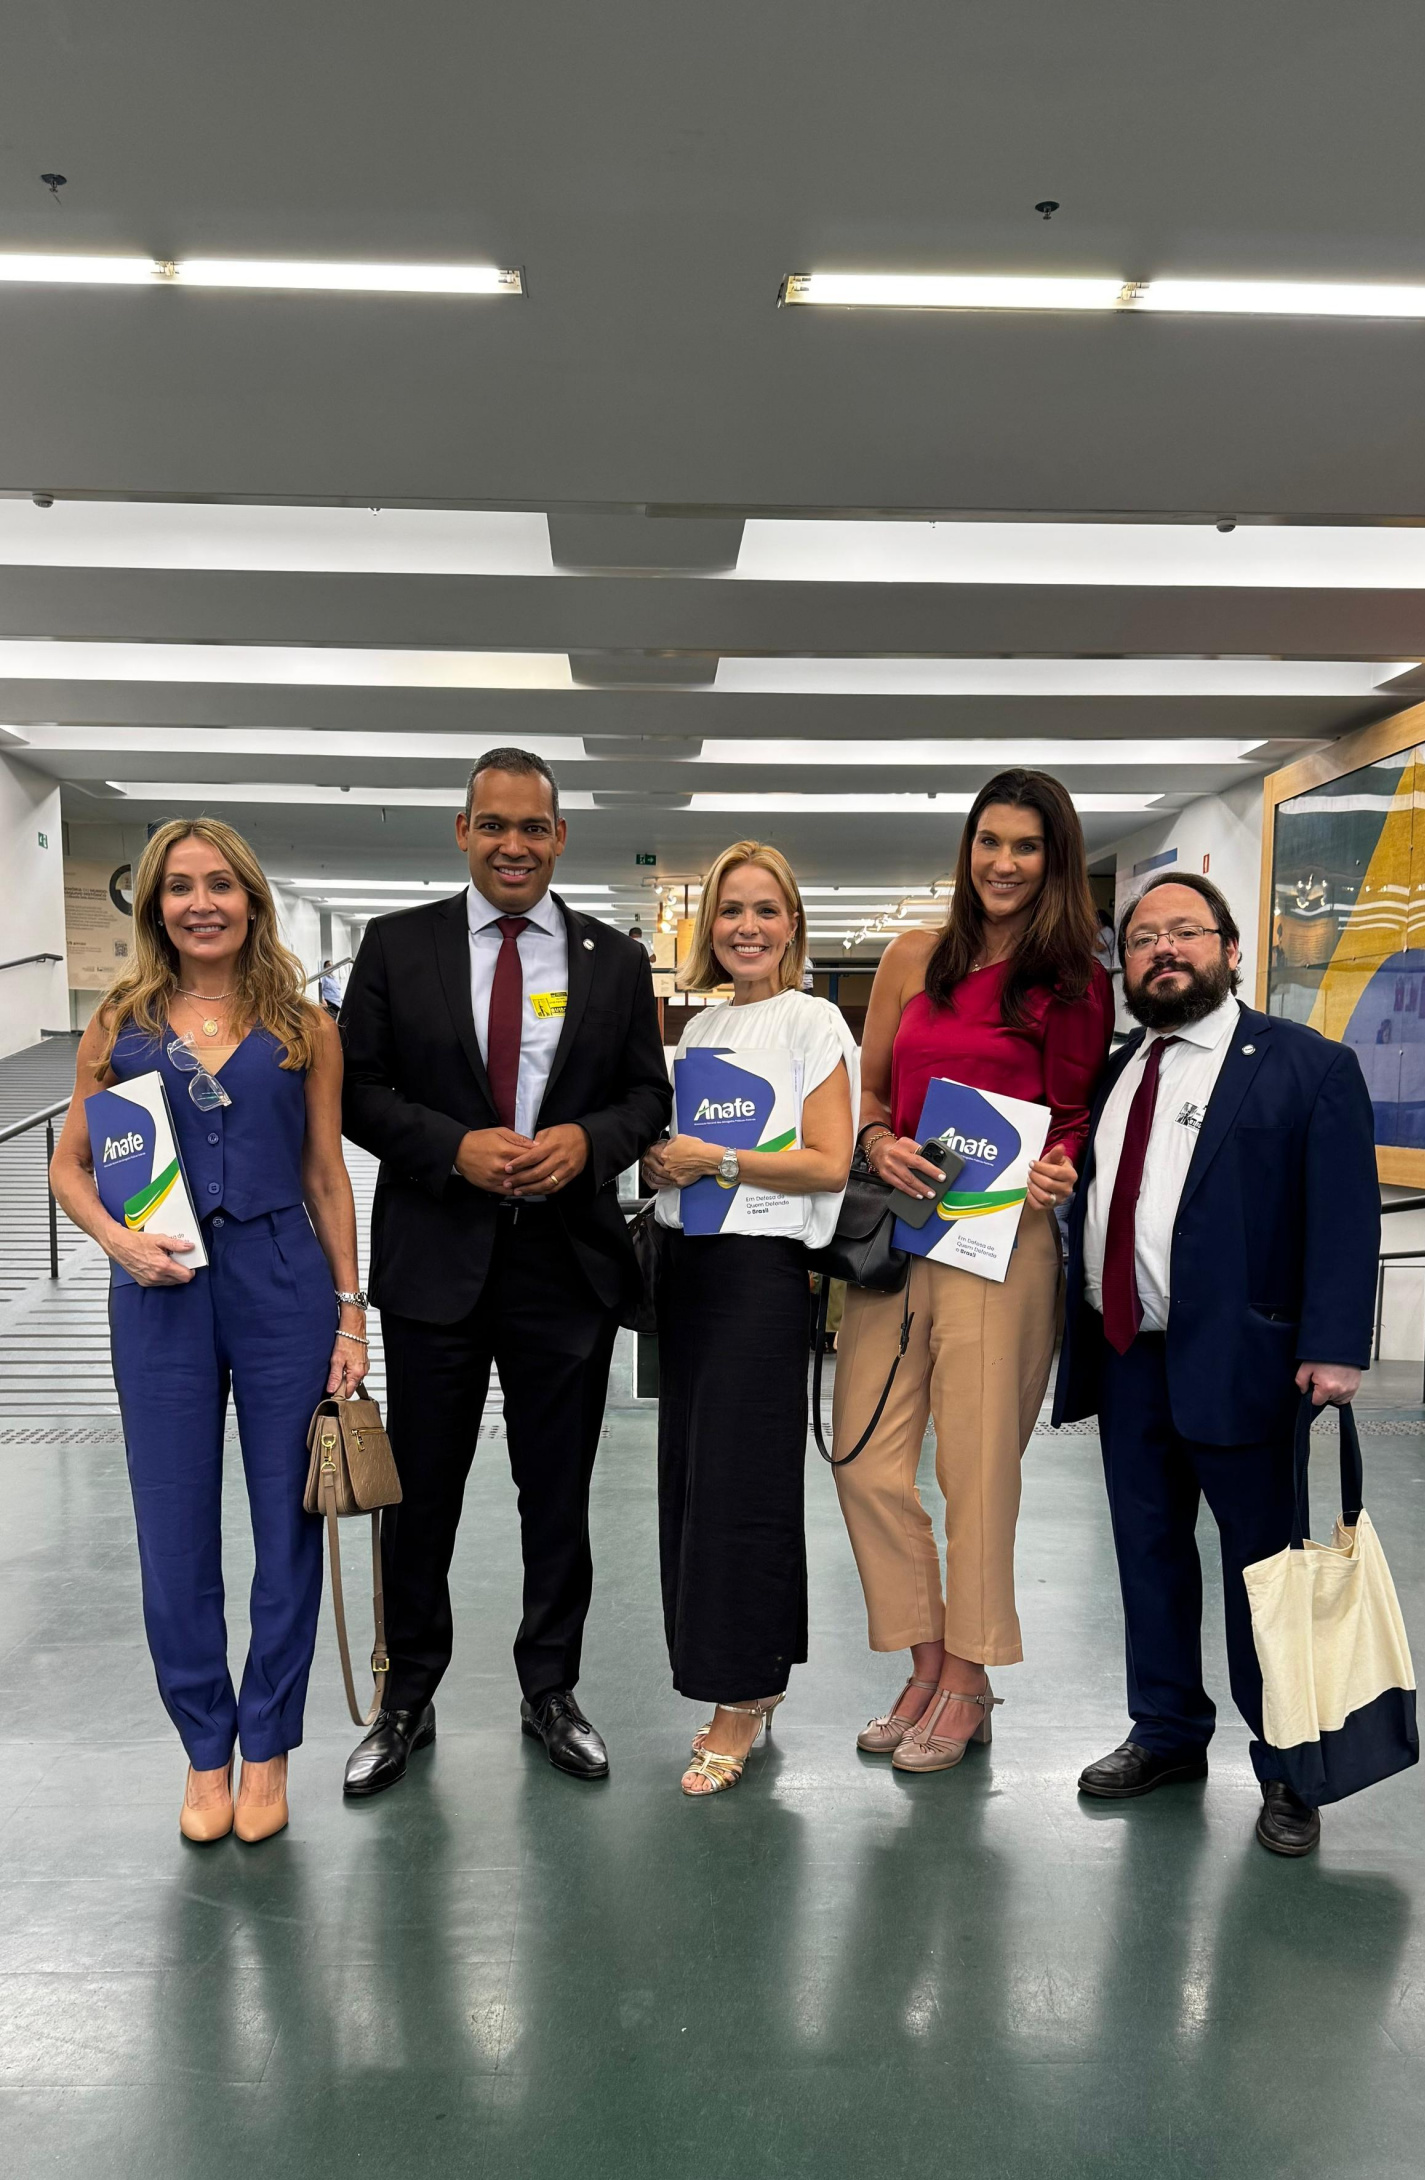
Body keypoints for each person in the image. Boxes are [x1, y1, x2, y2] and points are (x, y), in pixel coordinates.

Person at [338, 746, 671, 1796]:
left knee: (556, 1494)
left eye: (533, 827)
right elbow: (357, 1091)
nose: (513, 844)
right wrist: (453, 1149)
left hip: (564, 1267)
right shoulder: (397, 946)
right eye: (494, 824)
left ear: (560, 837)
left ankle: (551, 1689)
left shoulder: (615, 961)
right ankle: (405, 1697)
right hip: (436, 1260)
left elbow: (646, 1098)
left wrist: (586, 1140)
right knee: (421, 1493)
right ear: (463, 831)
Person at [49, 818, 368, 1845]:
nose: (201, 903)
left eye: (220, 884)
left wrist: (351, 1313)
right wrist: (116, 1241)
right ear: (155, 905)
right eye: (180, 886)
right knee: (172, 1527)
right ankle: (203, 1748)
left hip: (281, 1284)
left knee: (288, 1523)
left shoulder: (303, 1025)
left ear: (251, 899)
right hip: (161, 1290)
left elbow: (325, 1173)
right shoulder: (120, 1023)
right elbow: (69, 1165)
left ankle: (266, 1744)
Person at [1052, 870, 1380, 1857]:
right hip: (1128, 1355)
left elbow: (1344, 1214)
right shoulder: (1114, 1071)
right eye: (1143, 938)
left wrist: (1334, 1345)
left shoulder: (1306, 1066)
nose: (1164, 950)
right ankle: (1165, 1732)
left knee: (1262, 1573)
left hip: (1249, 1364)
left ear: (1231, 950)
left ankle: (1289, 1768)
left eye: (1185, 932)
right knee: (1147, 1556)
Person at [833, 770, 1114, 1773]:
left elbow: (1074, 1117)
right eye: (989, 841)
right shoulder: (914, 956)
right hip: (904, 1230)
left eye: (1026, 846)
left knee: (978, 1471)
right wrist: (878, 1140)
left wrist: (1061, 1164)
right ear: (967, 849)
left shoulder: (1072, 980)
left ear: (1055, 860)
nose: (1003, 862)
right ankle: (928, 1660)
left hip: (1004, 1245)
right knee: (863, 1456)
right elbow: (871, 1089)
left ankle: (967, 1676)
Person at [642, 843, 859, 1797]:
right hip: (690, 1270)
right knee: (693, 1479)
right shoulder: (700, 1030)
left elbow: (829, 1162)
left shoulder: (813, 1022)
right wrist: (663, 1163)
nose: (747, 927)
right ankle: (741, 1676)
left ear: (793, 925)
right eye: (730, 910)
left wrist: (717, 1159)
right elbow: (679, 1158)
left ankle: (742, 1691)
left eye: (766, 910)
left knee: (743, 1487)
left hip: (760, 1278)